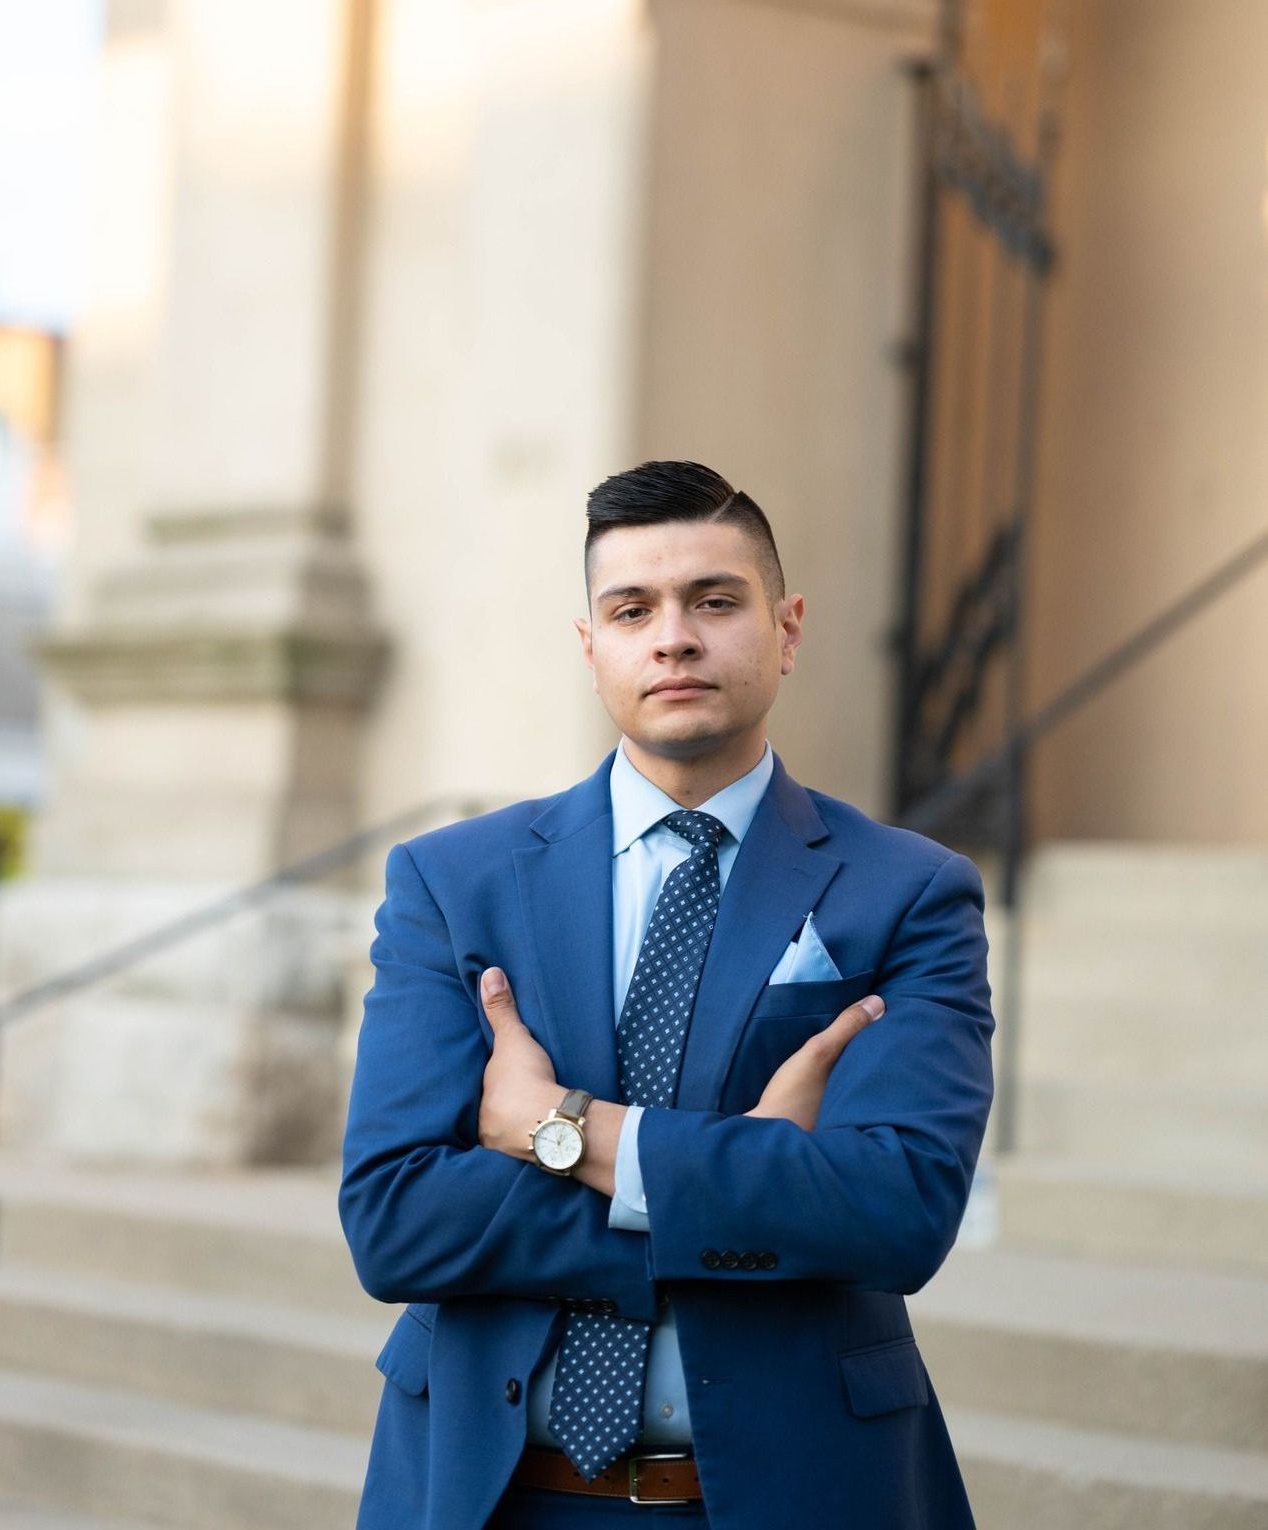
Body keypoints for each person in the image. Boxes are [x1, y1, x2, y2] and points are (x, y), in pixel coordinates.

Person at [339, 460, 994, 1530]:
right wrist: (751, 1174)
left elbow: (896, 1210)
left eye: (715, 601)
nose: (674, 637)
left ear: (786, 629)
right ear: (590, 645)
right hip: (489, 1494)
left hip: (790, 1495)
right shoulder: (451, 884)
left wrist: (560, 1131)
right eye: (631, 609)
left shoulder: (908, 892)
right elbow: (395, 1223)